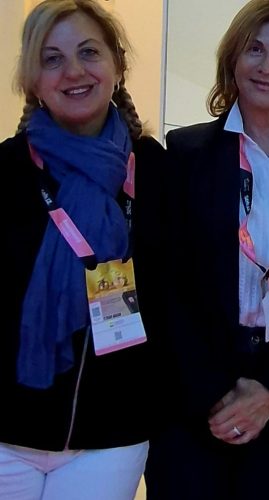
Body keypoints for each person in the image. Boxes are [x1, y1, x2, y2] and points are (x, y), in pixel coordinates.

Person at [144, 1, 269, 499]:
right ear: (234, 59)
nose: (267, 66)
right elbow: (167, 287)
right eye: (255, 49)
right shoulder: (184, 153)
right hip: (194, 402)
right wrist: (215, 394)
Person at [0, 0, 169, 498]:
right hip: (7, 433)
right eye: (52, 58)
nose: (73, 71)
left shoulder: (158, 171)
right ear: (33, 79)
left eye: (88, 52)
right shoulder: (5, 171)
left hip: (111, 435)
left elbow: (180, 300)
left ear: (118, 65)